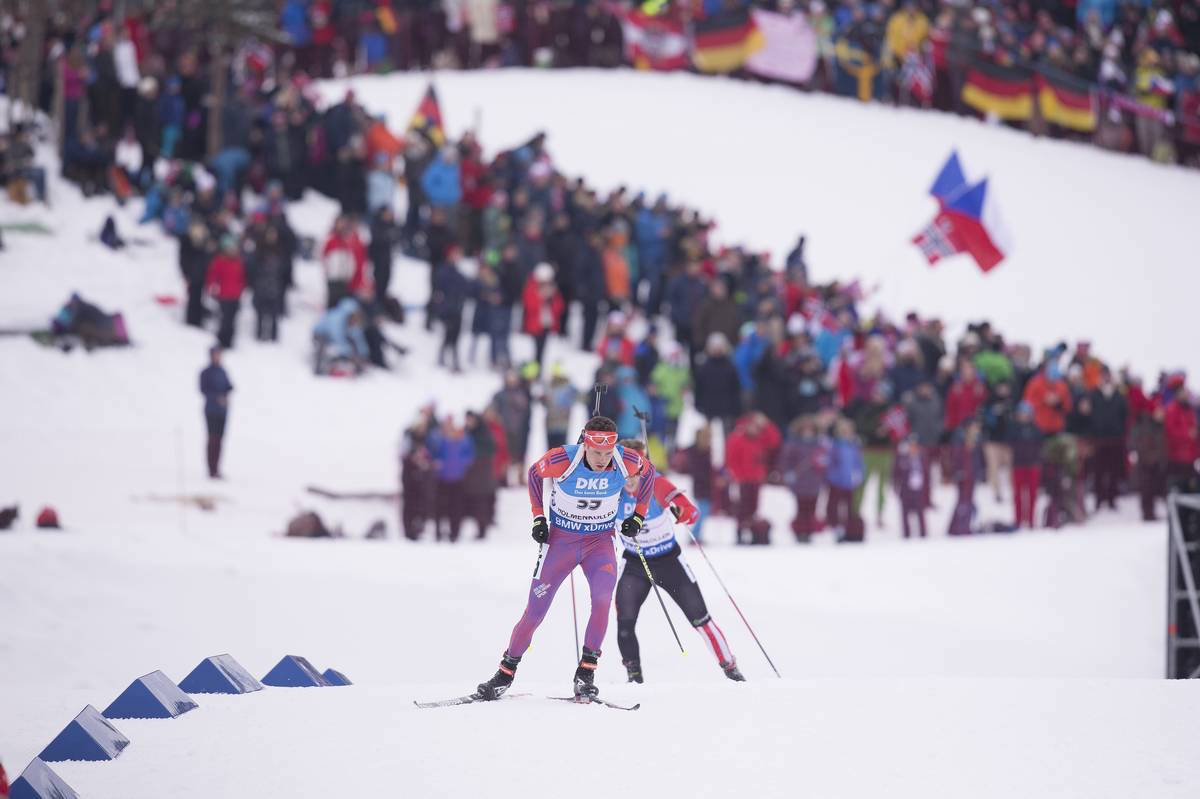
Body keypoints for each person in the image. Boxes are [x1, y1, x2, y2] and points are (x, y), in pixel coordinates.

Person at [474, 416, 652, 701]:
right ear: (585, 445)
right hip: (561, 543)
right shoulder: (564, 459)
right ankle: (504, 674)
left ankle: (586, 673)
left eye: (608, 453)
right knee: (535, 613)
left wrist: (639, 516)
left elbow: (649, 472)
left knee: (604, 601)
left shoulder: (625, 459)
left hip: (599, 543)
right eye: (597, 453)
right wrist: (538, 518)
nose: (603, 459)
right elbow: (534, 473)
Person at [614, 439, 745, 684]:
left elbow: (691, 511)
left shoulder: (656, 484)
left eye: (635, 470)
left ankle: (731, 669)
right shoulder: (611, 489)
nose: (629, 478)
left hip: (668, 562)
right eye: (623, 470)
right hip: (635, 564)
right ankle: (634, 679)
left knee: (701, 619)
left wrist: (682, 512)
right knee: (624, 622)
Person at [204, 236, 246, 349]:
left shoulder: (238, 261)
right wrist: (212, 287)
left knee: (232, 320)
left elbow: (242, 277)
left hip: (235, 295)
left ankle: (230, 342)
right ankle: (221, 341)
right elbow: (212, 276)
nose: (232, 250)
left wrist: (241, 289)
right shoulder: (219, 261)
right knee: (224, 320)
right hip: (223, 295)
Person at [199, 346, 233, 479]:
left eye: (219, 354)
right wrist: (217, 397)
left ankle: (217, 468)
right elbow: (203, 390)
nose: (218, 356)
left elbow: (229, 386)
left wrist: (226, 395)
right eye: (216, 354)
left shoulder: (223, 371)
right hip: (211, 410)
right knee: (212, 438)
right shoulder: (206, 372)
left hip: (223, 411)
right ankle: (211, 469)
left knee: (219, 439)